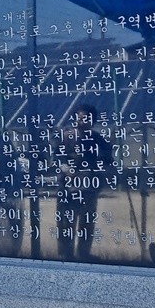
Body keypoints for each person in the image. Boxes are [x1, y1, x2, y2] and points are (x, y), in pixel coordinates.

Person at [54, 101, 112, 262]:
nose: (82, 122)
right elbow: (57, 156)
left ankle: (84, 253)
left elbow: (108, 157)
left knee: (87, 222)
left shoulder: (97, 138)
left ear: (92, 121)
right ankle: (65, 254)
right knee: (66, 221)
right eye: (79, 118)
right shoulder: (66, 136)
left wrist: (100, 165)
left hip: (89, 187)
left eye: (86, 119)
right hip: (68, 187)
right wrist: (66, 168)